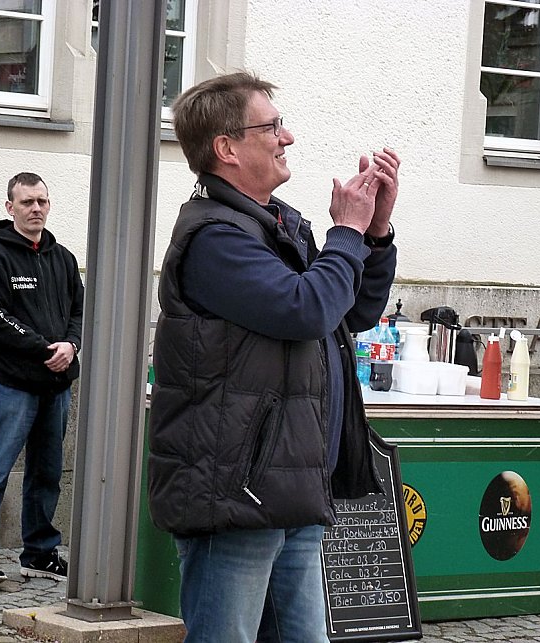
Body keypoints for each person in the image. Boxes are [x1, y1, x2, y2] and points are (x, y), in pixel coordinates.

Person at [148, 72, 400, 641]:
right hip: (237, 494)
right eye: (272, 126)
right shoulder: (215, 236)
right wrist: (346, 234)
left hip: (291, 488)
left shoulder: (275, 225)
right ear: (227, 148)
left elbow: (349, 313)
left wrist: (373, 235)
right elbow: (305, 308)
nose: (287, 138)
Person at [0, 172, 84, 591]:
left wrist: (71, 344)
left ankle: (39, 552)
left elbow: (79, 312)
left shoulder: (63, 258)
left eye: (42, 202)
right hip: (13, 385)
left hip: (57, 385)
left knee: (47, 474)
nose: (36, 209)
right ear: (9, 207)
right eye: (27, 202)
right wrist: (43, 348)